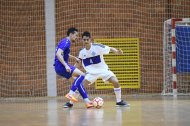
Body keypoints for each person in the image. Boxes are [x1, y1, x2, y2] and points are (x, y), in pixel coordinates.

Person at [64, 31, 129, 108]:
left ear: (90, 39)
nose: (86, 41)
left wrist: (117, 52)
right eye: (84, 40)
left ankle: (119, 101)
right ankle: (70, 103)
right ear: (82, 40)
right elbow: (79, 62)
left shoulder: (97, 47)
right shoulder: (82, 52)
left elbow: (110, 48)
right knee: (80, 86)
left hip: (103, 70)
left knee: (115, 81)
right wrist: (71, 70)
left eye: (87, 39)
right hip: (91, 73)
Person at [54, 27, 93, 108]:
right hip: (61, 66)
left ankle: (87, 102)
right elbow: (58, 53)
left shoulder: (64, 42)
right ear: (71, 34)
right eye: (76, 35)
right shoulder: (66, 42)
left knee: (78, 83)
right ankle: (70, 94)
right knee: (82, 75)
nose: (76, 37)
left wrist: (74, 58)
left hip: (58, 67)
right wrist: (65, 65)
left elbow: (65, 54)